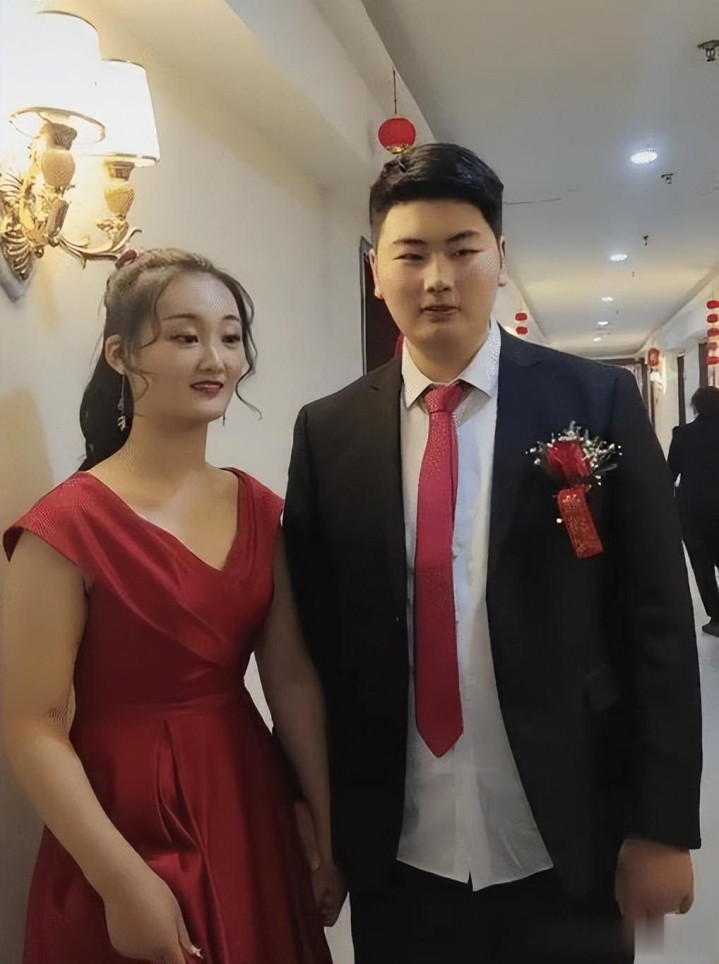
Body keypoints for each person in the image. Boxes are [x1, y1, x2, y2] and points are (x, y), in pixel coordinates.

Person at [282, 144, 702, 964]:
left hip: (566, 833)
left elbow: (655, 623)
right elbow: (313, 646)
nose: (437, 278)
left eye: (461, 249)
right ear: (376, 271)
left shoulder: (593, 400)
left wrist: (660, 827)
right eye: (411, 254)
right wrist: (312, 817)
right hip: (398, 850)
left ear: (499, 259)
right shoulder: (327, 432)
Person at [1, 248, 343, 964]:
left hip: (244, 796)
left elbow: (291, 682)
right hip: (117, 813)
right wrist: (118, 879)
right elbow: (30, 722)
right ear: (121, 355)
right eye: (186, 336)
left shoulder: (260, 509)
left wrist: (324, 822)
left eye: (229, 337)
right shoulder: (67, 524)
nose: (215, 358)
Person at [668, 384, 719, 638]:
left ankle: (716, 619)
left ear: (695, 407)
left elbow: (669, 473)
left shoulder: (683, 434)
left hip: (693, 511)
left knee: (702, 565)